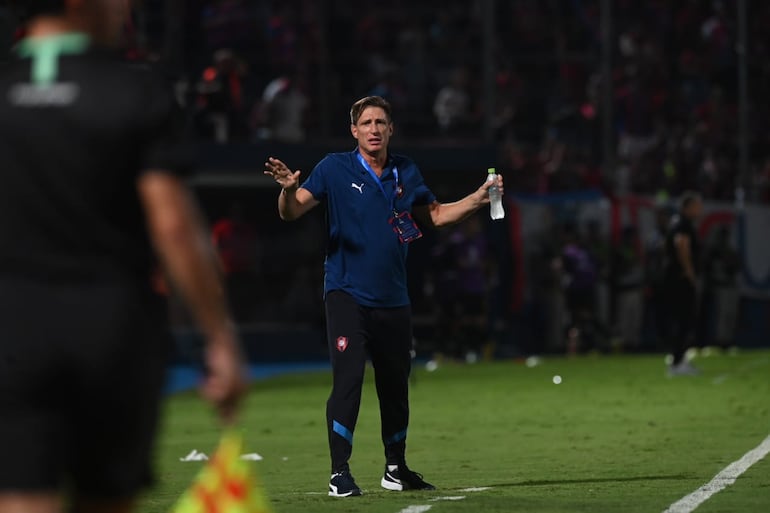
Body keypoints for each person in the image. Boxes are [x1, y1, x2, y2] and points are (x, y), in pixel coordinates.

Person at [0, 3, 248, 513]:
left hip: (12, 329)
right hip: (112, 330)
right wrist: (219, 336)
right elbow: (174, 225)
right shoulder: (136, 89)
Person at [264, 95, 503, 497]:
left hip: (394, 298)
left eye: (381, 122)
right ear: (354, 131)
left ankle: (396, 468)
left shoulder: (405, 170)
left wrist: (480, 198)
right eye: (367, 123)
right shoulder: (333, 168)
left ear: (391, 129)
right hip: (346, 294)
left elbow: (439, 215)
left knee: (396, 384)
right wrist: (288, 190)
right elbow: (291, 211)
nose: (374, 129)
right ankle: (340, 472)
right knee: (350, 378)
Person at [663, 191, 703, 376]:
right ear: (687, 207)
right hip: (680, 278)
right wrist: (689, 271)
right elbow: (681, 245)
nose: (699, 210)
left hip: (675, 278)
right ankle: (677, 363)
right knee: (685, 319)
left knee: (683, 319)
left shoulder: (678, 222)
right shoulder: (683, 224)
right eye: (696, 206)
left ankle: (679, 358)